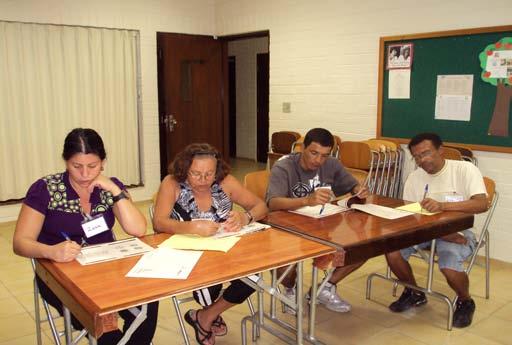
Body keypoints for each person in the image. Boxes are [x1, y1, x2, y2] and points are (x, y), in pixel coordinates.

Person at [13, 128, 158, 344]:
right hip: (61, 275)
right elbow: (20, 243)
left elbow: (137, 229)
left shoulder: (109, 187)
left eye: (92, 166)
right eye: (76, 166)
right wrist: (51, 251)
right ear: (65, 162)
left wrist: (114, 190)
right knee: (104, 326)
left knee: (148, 302)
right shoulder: (46, 189)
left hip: (107, 269)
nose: (85, 174)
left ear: (103, 163)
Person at [152, 143, 268, 345]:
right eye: (196, 174)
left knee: (255, 278)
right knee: (208, 290)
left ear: (218, 170)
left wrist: (245, 217)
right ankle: (210, 313)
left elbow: (261, 206)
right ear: (184, 169)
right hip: (189, 256)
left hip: (226, 251)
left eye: (209, 174)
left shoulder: (227, 183)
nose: (203, 180)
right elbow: (159, 222)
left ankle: (205, 316)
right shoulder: (172, 183)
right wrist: (192, 227)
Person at [385, 132, 488, 328]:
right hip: (424, 230)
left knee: (448, 265)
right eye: (416, 157)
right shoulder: (414, 177)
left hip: (461, 231)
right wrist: (438, 232)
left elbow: (481, 204)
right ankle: (414, 292)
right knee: (392, 252)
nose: (422, 160)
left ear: (441, 150)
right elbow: (410, 213)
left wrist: (443, 206)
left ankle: (465, 301)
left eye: (426, 153)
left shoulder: (464, 169)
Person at [266, 128, 368, 314]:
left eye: (324, 155)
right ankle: (290, 289)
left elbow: (352, 185)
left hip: (322, 225)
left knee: (363, 247)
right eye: (314, 153)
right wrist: (306, 200)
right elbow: (273, 203)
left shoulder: (332, 165)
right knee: (283, 265)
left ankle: (324, 288)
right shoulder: (284, 167)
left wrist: (357, 189)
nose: (318, 160)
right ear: (302, 148)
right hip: (287, 228)